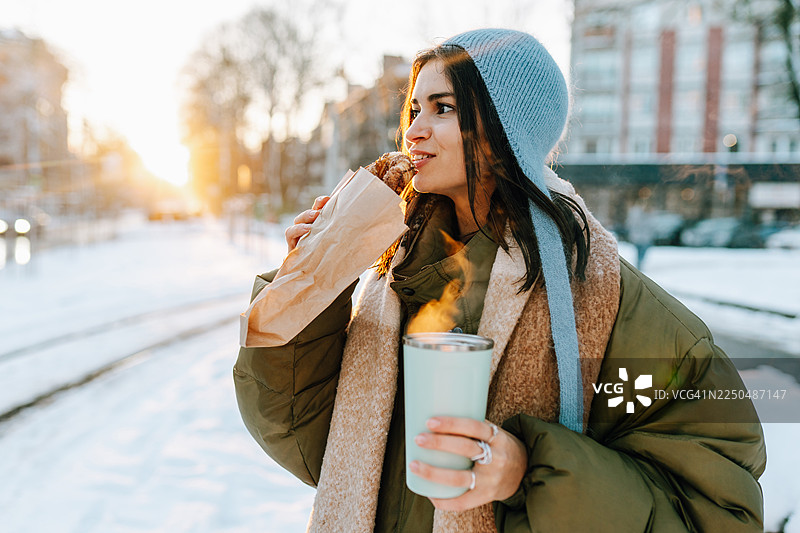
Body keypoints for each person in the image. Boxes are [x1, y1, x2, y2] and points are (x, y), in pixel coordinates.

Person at [233, 29, 765, 532]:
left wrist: (527, 472)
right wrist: (312, 285)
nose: (413, 129)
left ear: (506, 127)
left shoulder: (604, 299)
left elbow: (716, 510)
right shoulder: (395, 273)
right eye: (415, 109)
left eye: (443, 108)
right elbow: (305, 441)